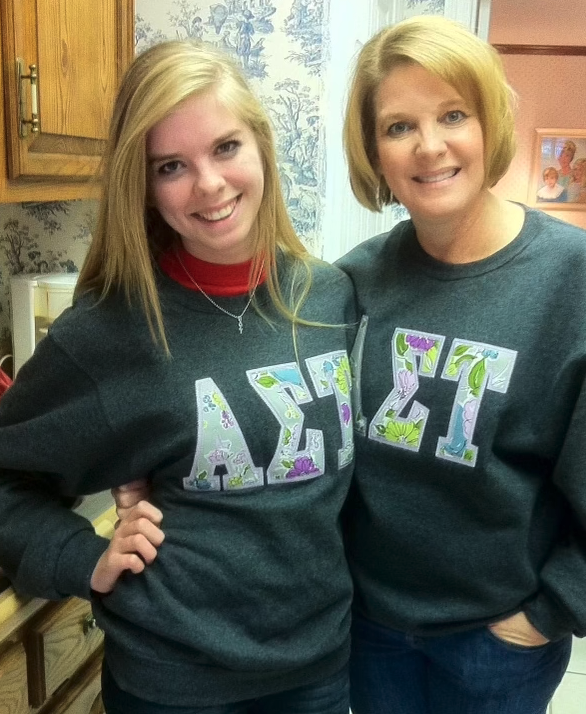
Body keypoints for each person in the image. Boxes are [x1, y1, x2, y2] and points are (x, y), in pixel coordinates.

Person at [0, 40, 356, 714]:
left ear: (261, 147)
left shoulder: (331, 298)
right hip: (176, 687)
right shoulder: (110, 332)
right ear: (145, 187)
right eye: (172, 166)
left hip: (316, 673)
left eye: (225, 147)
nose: (210, 184)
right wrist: (83, 556)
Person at [336, 15, 586, 714]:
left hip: (494, 649)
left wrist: (547, 615)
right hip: (368, 632)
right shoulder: (355, 281)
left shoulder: (575, 278)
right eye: (398, 126)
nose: (429, 147)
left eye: (452, 114)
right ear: (373, 151)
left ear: (487, 124)